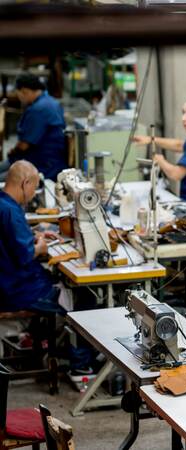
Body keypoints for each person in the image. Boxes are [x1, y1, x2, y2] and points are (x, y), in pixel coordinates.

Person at [0, 161, 93, 374]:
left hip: (10, 283)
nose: (34, 193)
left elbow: (9, 240)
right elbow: (25, 254)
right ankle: (81, 367)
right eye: (34, 187)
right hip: (20, 291)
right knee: (84, 297)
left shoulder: (4, 204)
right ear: (26, 183)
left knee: (67, 286)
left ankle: (39, 339)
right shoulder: (11, 212)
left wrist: (33, 236)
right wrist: (40, 247)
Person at [0, 73, 67, 181]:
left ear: (24, 91)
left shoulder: (38, 109)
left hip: (43, 165)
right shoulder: (51, 102)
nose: (19, 98)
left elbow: (24, 145)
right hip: (49, 160)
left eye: (18, 94)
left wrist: (13, 151)